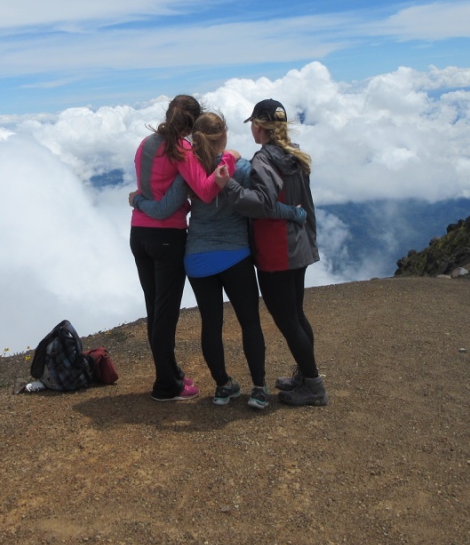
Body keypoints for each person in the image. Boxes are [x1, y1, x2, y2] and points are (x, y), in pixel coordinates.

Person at [132, 112, 306, 410]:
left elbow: (165, 207)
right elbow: (262, 205)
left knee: (210, 325)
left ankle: (223, 386)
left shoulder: (188, 170)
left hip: (197, 259)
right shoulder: (238, 167)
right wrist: (293, 213)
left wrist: (138, 201)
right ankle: (259, 389)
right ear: (224, 136)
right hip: (235, 254)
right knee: (249, 322)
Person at [216, 98, 328, 407]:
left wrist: (229, 187)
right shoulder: (293, 155)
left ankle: (314, 386)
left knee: (287, 319)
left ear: (259, 126)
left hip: (278, 250)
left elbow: (263, 203)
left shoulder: (264, 159)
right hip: (300, 244)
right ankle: (306, 376)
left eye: (252, 123)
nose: (251, 128)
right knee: (296, 314)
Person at [129, 95, 230, 402]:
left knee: (154, 310)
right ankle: (166, 386)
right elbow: (205, 188)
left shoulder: (145, 143)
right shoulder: (181, 149)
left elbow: (145, 189)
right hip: (167, 237)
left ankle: (171, 375)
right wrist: (227, 161)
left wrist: (140, 201)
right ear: (192, 124)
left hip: (139, 234)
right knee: (166, 315)